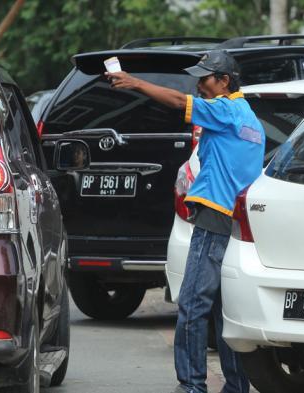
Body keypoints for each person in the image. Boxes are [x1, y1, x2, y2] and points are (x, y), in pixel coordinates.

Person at [107, 50, 265, 393]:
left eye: (206, 78)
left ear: (225, 82)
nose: (200, 84)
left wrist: (133, 82)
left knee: (193, 304)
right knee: (225, 310)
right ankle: (235, 387)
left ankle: (192, 386)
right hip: (236, 226)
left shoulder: (225, 109)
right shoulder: (250, 118)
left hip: (213, 219)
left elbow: (179, 101)